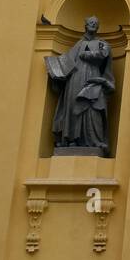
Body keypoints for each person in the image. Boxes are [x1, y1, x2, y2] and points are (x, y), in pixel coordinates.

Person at [45, 16, 114, 156]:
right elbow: (67, 63)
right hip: (75, 79)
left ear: (98, 26)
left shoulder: (102, 43)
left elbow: (104, 54)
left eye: (96, 23)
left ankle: (94, 141)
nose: (93, 24)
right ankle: (71, 139)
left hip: (93, 79)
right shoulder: (78, 44)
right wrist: (56, 71)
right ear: (85, 25)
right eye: (90, 22)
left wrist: (87, 54)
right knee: (73, 107)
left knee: (93, 107)